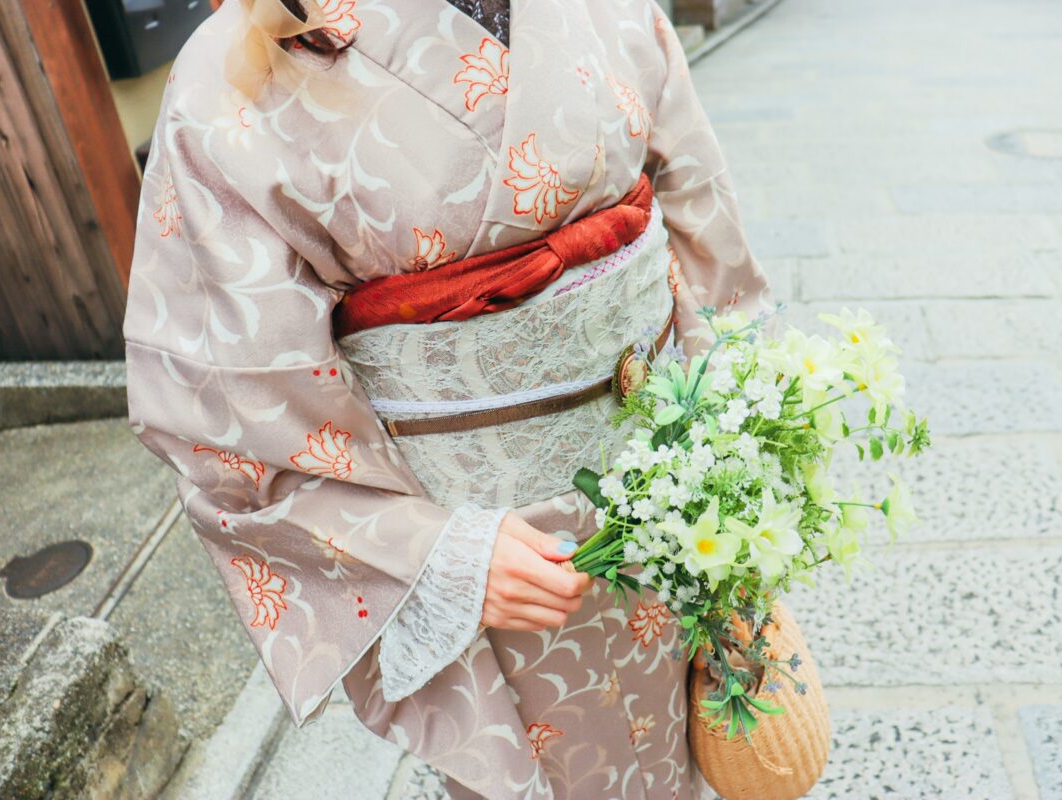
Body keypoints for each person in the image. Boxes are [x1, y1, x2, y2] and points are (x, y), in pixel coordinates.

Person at [122, 0, 775, 797]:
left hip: (675, 490)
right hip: (497, 550)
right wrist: (436, 556)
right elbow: (226, 409)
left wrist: (740, 451)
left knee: (695, 739)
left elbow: (703, 228)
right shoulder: (229, 79)